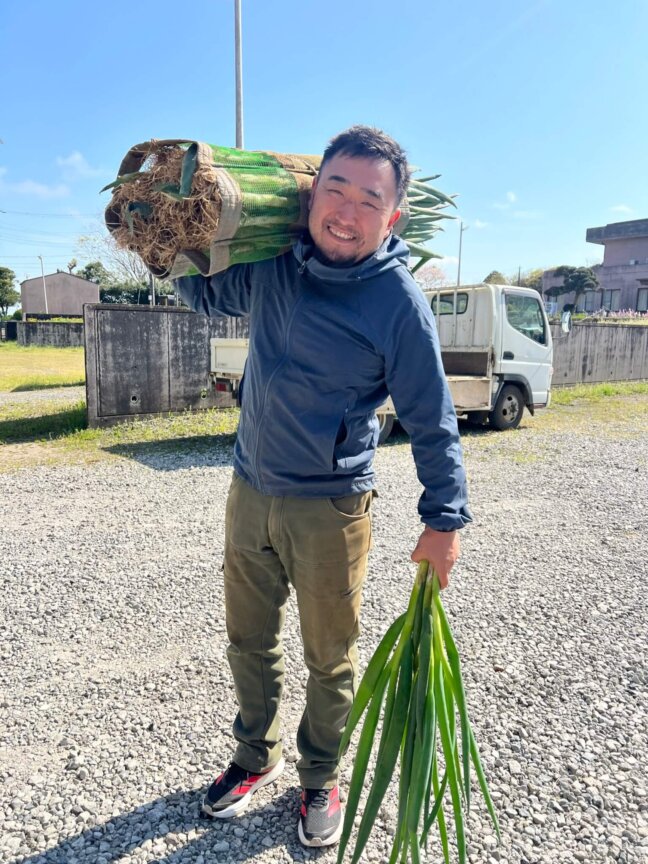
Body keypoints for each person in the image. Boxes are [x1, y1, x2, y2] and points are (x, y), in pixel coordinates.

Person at [175, 125, 471, 848]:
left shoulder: (398, 302)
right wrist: (164, 241)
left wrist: (445, 520)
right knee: (249, 641)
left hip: (331, 507)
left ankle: (321, 776)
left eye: (368, 199)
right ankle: (255, 757)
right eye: (334, 189)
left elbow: (432, 420)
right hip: (249, 488)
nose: (346, 210)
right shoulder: (278, 265)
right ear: (311, 194)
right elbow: (210, 297)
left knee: (328, 655)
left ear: (392, 217)